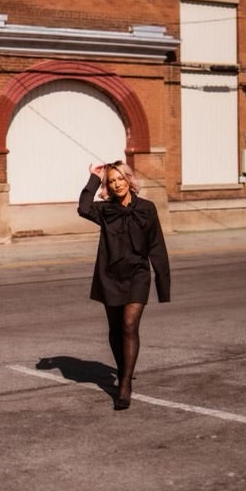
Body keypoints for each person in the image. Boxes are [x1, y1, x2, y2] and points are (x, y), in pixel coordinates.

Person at [78, 160, 170, 410]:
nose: (117, 184)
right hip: (110, 276)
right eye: (112, 181)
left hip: (138, 275)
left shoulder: (147, 208)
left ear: (129, 180)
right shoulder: (105, 210)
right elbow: (83, 208)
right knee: (115, 329)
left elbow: (157, 246)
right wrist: (94, 178)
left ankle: (125, 384)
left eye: (121, 178)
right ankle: (122, 369)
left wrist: (162, 284)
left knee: (129, 325)